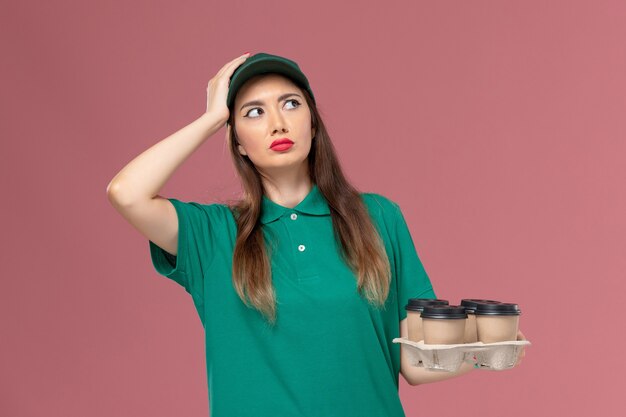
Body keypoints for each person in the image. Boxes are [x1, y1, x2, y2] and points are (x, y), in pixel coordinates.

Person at [107, 51, 526, 417]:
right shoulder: (212, 235)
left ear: (312, 123)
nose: (277, 123)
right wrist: (211, 117)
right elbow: (127, 193)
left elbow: (413, 362)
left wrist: (487, 349)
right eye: (253, 112)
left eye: (291, 104)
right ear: (236, 141)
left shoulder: (379, 217)